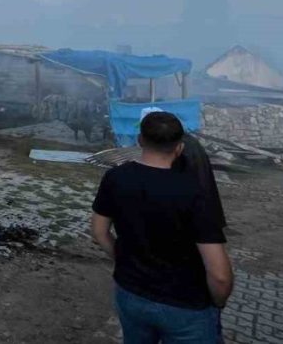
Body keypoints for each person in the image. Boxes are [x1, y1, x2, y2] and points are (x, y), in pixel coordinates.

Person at [91, 111, 234, 343]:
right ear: (179, 147)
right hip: (186, 306)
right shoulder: (194, 191)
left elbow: (99, 232)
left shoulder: (116, 178)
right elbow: (219, 275)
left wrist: (124, 262)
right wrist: (219, 301)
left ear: (140, 141)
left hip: (131, 294)